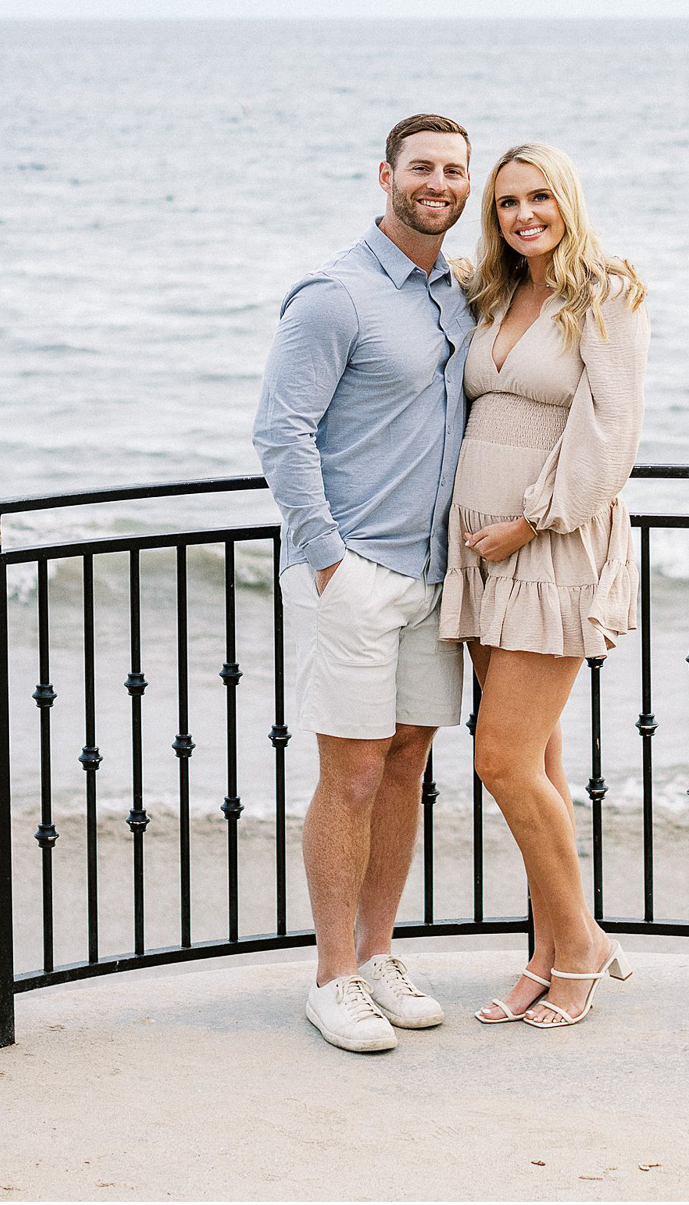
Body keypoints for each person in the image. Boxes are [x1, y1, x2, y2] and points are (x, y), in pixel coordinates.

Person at [253, 113, 474, 1053]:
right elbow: (280, 431)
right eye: (421, 167)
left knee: (407, 763)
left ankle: (378, 954)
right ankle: (331, 978)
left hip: (432, 575)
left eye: (454, 170)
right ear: (385, 175)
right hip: (355, 574)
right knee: (347, 774)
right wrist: (326, 560)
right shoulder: (333, 296)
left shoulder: (459, 291)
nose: (438, 182)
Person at [439, 142, 649, 1030]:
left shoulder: (604, 292)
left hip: (546, 545)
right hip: (482, 555)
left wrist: (531, 520)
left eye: (537, 198)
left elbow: (611, 433)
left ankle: (583, 947)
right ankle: (546, 952)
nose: (523, 214)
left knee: (501, 761)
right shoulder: (492, 291)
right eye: (505, 203)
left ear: (564, 200)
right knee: (541, 768)